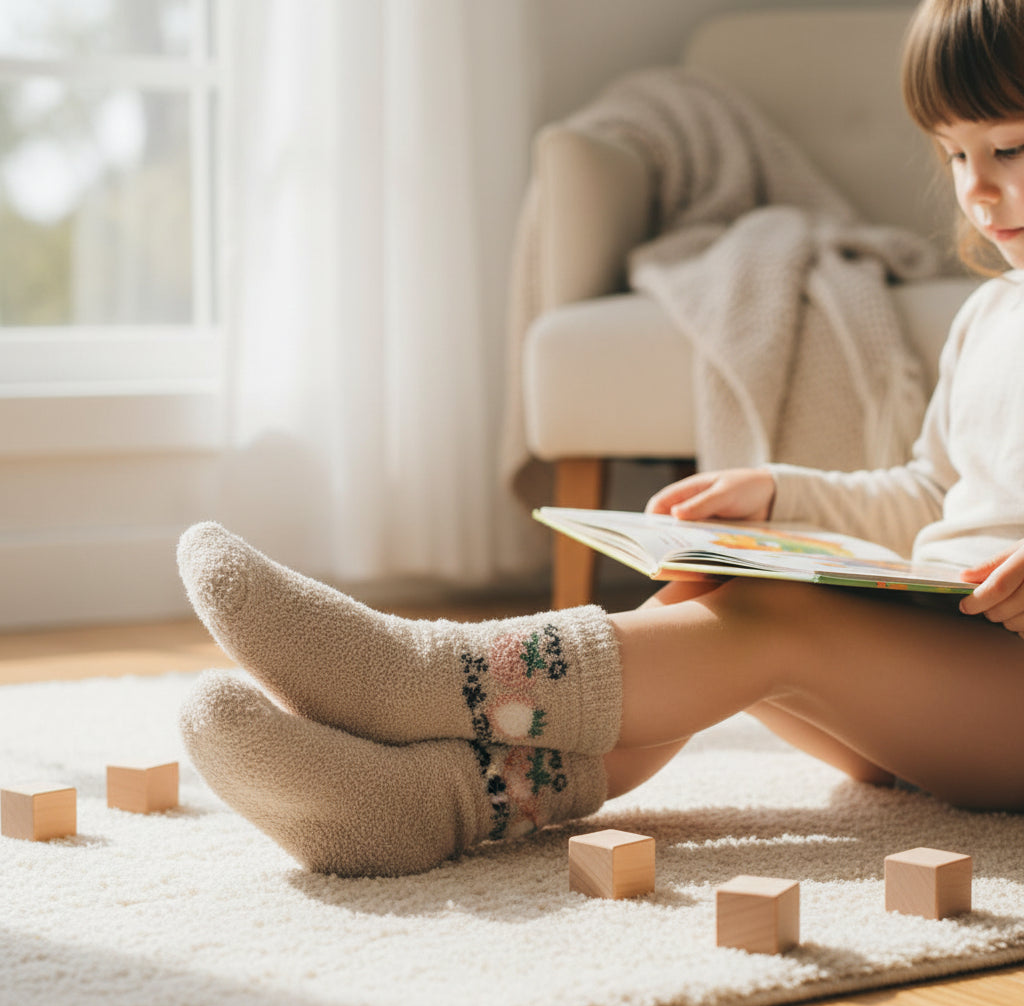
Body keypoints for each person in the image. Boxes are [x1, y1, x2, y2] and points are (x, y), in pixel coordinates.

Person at [178, 0, 1024, 878]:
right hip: (939, 690)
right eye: (954, 153)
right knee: (715, 586)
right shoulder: (990, 314)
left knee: (777, 622)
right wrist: (782, 494)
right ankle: (435, 801)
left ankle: (419, 676)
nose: (976, 187)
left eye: (1008, 148)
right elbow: (931, 493)